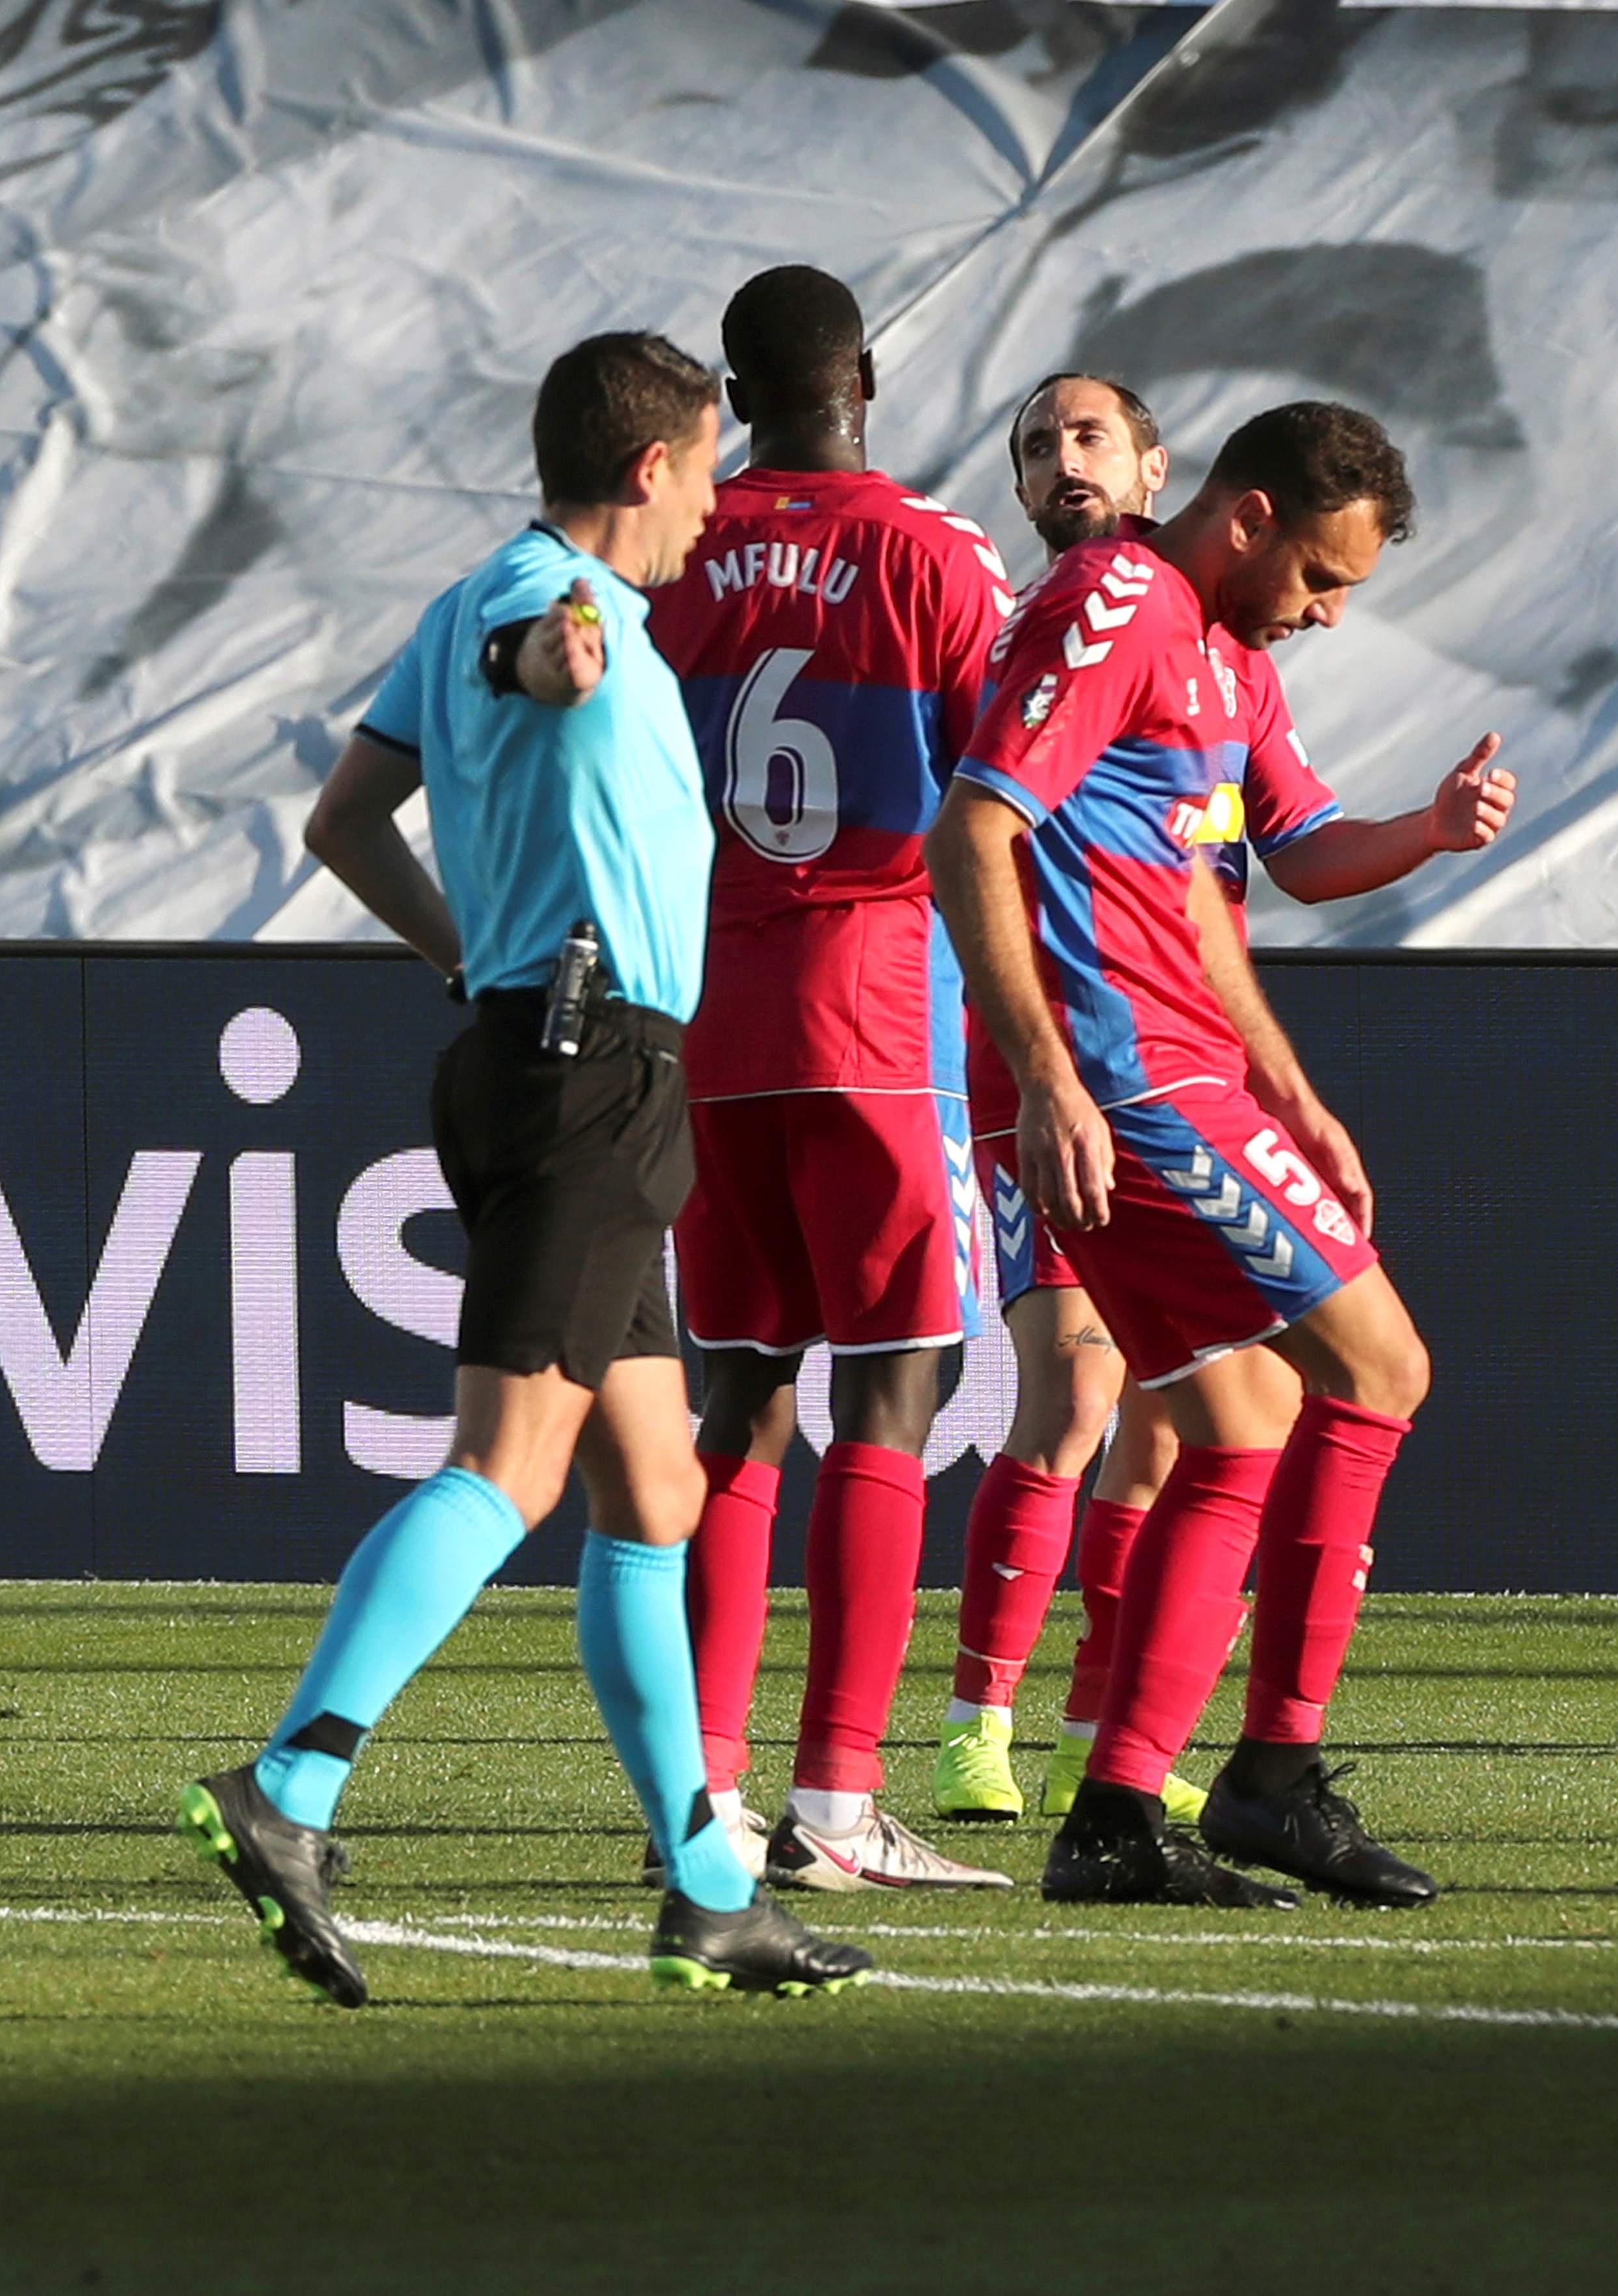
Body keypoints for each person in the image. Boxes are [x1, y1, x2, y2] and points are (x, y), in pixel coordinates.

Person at [178, 330, 873, 2003]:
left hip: (554, 1058)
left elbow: (345, 820)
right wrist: (558, 658)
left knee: (661, 1487)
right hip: (588, 1076)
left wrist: (468, 956)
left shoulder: (513, 603)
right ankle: (289, 1789)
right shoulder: (541, 596)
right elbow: (536, 661)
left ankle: (709, 1885)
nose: (716, 504)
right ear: (651, 467)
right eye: (707, 467)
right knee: (511, 1468)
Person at [931, 375, 1516, 1829]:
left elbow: (1205, 899)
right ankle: (1253, 1768)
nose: (1326, 611)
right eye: (1319, 575)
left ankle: (1123, 1800)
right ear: (1246, 514)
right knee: (1372, 1371)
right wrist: (1051, 1075)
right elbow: (973, 828)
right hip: (1123, 1081)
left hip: (1171, 1069)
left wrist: (1296, 1093)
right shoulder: (1117, 604)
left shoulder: (1201, 644)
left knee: (1238, 1422)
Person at [638, 265, 1014, 1894]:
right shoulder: (937, 552)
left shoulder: (675, 551)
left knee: (737, 1396)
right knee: (892, 1392)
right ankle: (839, 1802)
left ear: (734, 387)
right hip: (871, 1008)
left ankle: (707, 1793)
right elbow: (1006, 789)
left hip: (705, 1013)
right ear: (860, 372)